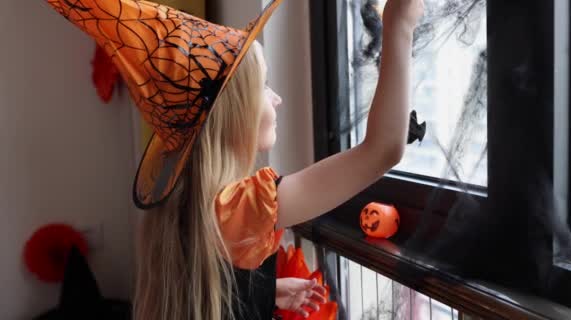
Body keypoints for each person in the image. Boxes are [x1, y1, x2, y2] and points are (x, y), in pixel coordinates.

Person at [45, 0, 424, 319]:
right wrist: (398, 25)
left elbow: (207, 288)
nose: (277, 98)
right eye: (265, 86)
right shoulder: (239, 206)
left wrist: (263, 292)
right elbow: (382, 150)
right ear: (234, 112)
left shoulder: (184, 201)